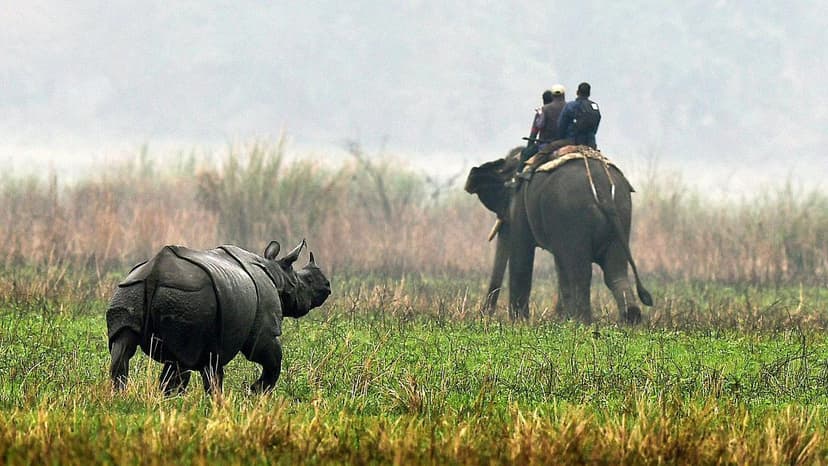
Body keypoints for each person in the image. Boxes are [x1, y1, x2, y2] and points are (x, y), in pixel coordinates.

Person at [520, 85, 566, 163]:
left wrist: (529, 147)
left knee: (525, 153)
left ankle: (519, 173)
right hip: (565, 142)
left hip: (546, 144)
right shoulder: (568, 107)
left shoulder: (543, 110)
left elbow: (535, 131)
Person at [557, 82, 601, 149]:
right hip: (591, 144)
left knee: (547, 149)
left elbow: (561, 126)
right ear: (589, 94)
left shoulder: (570, 106)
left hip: (572, 141)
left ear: (577, 92)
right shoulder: (594, 106)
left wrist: (560, 138)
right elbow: (596, 125)